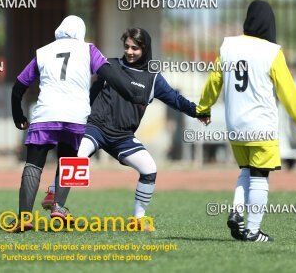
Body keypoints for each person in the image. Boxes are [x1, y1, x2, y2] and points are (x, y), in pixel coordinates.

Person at [41, 27, 201, 231]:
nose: (130, 51)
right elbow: (88, 92)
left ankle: (138, 219)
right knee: (77, 155)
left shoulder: (153, 78)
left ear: (145, 48)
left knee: (149, 168)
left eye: (135, 48)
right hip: (95, 127)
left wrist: (198, 112)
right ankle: (55, 197)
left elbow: (176, 100)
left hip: (122, 137)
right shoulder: (110, 65)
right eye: (126, 46)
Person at [9, 15, 146, 233]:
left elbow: (18, 87)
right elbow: (111, 76)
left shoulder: (42, 52)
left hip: (45, 115)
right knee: (69, 162)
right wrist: (133, 93)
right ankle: (59, 208)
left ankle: (24, 217)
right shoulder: (89, 50)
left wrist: (19, 117)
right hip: (75, 117)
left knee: (34, 164)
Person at [196, 0, 296, 242]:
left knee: (246, 171)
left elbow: (213, 81)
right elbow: (288, 92)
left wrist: (203, 108)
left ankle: (237, 211)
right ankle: (252, 230)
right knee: (260, 176)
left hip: (235, 126)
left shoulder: (228, 46)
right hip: (261, 126)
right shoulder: (272, 52)